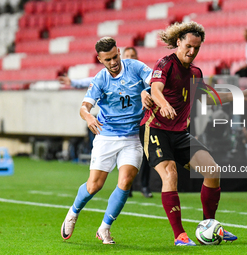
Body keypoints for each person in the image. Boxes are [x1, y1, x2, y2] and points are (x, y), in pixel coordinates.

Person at [139, 21, 247, 246]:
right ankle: (180, 236)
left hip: (179, 133)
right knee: (170, 174)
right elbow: (155, 89)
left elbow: (207, 96)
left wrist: (239, 95)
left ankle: (209, 226)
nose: (192, 52)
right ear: (178, 42)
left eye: (197, 48)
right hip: (155, 128)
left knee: (212, 171)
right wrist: (163, 104)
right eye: (188, 46)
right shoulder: (165, 64)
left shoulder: (195, 72)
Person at [61, 37, 154, 244]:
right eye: (107, 59)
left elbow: (156, 82)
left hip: (131, 137)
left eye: (115, 57)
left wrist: (148, 92)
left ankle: (104, 228)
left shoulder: (136, 67)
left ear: (119, 52)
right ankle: (74, 211)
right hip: (107, 136)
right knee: (94, 186)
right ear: (99, 59)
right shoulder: (100, 79)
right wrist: (89, 116)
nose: (113, 62)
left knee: (126, 181)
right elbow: (84, 107)